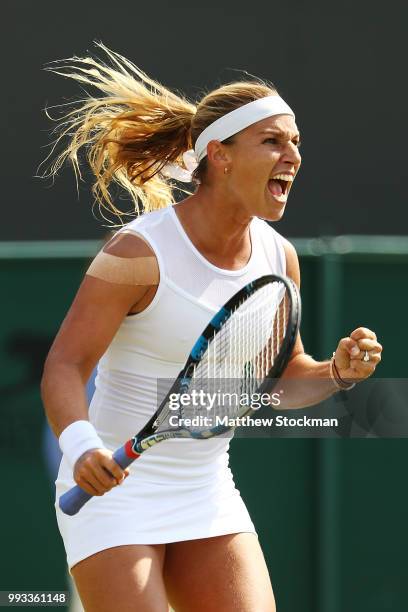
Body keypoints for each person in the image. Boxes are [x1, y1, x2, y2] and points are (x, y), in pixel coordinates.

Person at [40, 43, 383, 612]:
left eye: (296, 142)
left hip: (205, 488)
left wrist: (336, 373)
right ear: (220, 155)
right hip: (114, 494)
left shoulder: (280, 259)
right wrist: (80, 448)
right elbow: (66, 365)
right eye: (272, 140)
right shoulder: (137, 253)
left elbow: (281, 381)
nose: (292, 155)